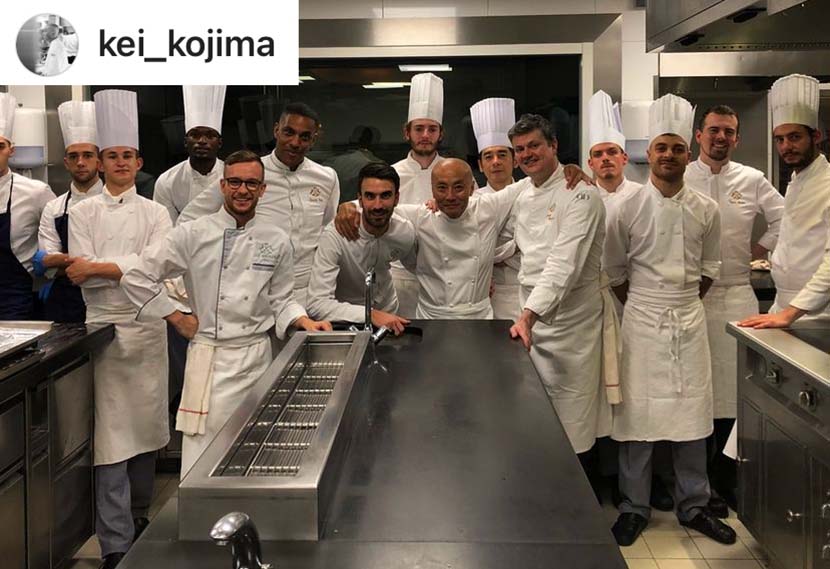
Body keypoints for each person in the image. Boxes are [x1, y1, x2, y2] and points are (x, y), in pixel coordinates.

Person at [120, 149, 330, 477]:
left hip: (257, 358)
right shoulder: (192, 233)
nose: (242, 190)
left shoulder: (276, 240)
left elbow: (281, 298)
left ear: (263, 189)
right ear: (222, 185)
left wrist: (303, 320)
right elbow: (136, 277)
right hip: (210, 360)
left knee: (254, 451)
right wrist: (176, 317)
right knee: (203, 457)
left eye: (251, 183)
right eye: (235, 182)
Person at [604, 94, 735, 547]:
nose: (669, 155)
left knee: (692, 413)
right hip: (640, 318)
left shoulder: (706, 209)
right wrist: (645, 303)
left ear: (688, 152)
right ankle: (633, 507)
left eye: (677, 148)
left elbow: (710, 268)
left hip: (689, 318)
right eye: (661, 147)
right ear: (649, 152)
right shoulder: (626, 208)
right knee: (636, 418)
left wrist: (681, 303)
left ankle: (694, 505)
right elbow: (614, 270)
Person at [66, 90, 172, 569]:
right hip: (105, 331)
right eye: (112, 156)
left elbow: (158, 270)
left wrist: (103, 267)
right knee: (112, 439)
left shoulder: (156, 212)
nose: (121, 162)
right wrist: (121, 269)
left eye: (128, 155)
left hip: (147, 328)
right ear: (101, 163)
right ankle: (114, 541)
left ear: (139, 162)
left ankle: (139, 513)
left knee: (147, 431)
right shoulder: (82, 213)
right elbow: (79, 273)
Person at [684, 104, 784, 514]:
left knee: (733, 391)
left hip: (738, 294)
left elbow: (785, 218)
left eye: (728, 131)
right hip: (692, 297)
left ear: (737, 139)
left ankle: (724, 479)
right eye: (714, 130)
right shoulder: (681, 175)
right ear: (698, 135)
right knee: (697, 389)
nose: (720, 137)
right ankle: (693, 480)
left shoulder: (752, 179)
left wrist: (760, 247)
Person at [505, 113, 615, 480]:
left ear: (554, 146)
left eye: (535, 145)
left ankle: (581, 501)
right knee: (536, 415)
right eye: (520, 149)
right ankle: (544, 493)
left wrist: (528, 316)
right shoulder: (522, 192)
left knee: (573, 416)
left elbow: (564, 264)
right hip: (531, 322)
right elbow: (483, 217)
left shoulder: (582, 194)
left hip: (572, 324)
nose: (527, 154)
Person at [178, 102, 340, 306]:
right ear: (276, 130)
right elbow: (188, 220)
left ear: (313, 140)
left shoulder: (326, 178)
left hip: (307, 290)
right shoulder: (249, 172)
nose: (295, 142)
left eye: (304, 137)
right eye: (288, 132)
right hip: (255, 288)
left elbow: (327, 229)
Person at [337, 158, 524, 319]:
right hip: (431, 318)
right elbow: (380, 208)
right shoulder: (421, 216)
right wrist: (349, 206)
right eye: (442, 188)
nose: (450, 196)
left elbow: (528, 183)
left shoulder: (488, 209)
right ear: (432, 190)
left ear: (471, 188)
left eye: (458, 187)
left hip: (479, 317)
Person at [740, 74, 830, 329]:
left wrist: (790, 313)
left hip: (819, 317)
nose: (786, 146)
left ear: (816, 136)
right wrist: (782, 311)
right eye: (780, 139)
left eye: (794, 137)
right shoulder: (796, 181)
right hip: (784, 307)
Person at [307, 162, 414, 333]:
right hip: (345, 320)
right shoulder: (336, 234)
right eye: (370, 196)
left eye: (385, 195)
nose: (378, 205)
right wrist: (370, 315)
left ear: (397, 198)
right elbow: (316, 304)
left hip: (389, 315)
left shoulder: (404, 232)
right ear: (360, 199)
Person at [36, 101, 103, 322]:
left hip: (105, 298)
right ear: (66, 163)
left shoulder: (115, 203)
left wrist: (60, 262)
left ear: (99, 162)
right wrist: (97, 264)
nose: (80, 162)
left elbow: (53, 261)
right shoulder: (53, 208)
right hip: (64, 302)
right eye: (74, 157)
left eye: (87, 155)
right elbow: (47, 263)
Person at [390, 73, 447, 317]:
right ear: (407, 132)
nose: (425, 135)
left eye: (432, 129)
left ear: (440, 133)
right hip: (399, 278)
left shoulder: (455, 173)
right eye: (419, 129)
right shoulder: (392, 173)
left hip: (444, 275)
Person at [0, 93, 56, 319]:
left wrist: (53, 276)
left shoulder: (36, 192)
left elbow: (58, 237)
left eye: (0, 146)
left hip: (15, 300)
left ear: (11, 150)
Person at [471, 97, 522, 321]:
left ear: (515, 160)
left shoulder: (530, 194)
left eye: (502, 154)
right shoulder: (472, 202)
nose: (496, 161)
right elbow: (469, 250)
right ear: (481, 165)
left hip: (526, 290)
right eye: (488, 156)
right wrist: (514, 247)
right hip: (484, 293)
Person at [154, 86, 225, 223]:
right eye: (195, 135)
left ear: (220, 143)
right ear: (185, 142)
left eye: (210, 136)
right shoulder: (167, 181)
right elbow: (167, 227)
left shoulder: (231, 176)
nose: (202, 141)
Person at [586, 90, 641, 202]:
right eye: (598, 154)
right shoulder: (584, 198)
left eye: (612, 152)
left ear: (624, 158)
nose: (605, 158)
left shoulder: (641, 195)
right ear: (591, 164)